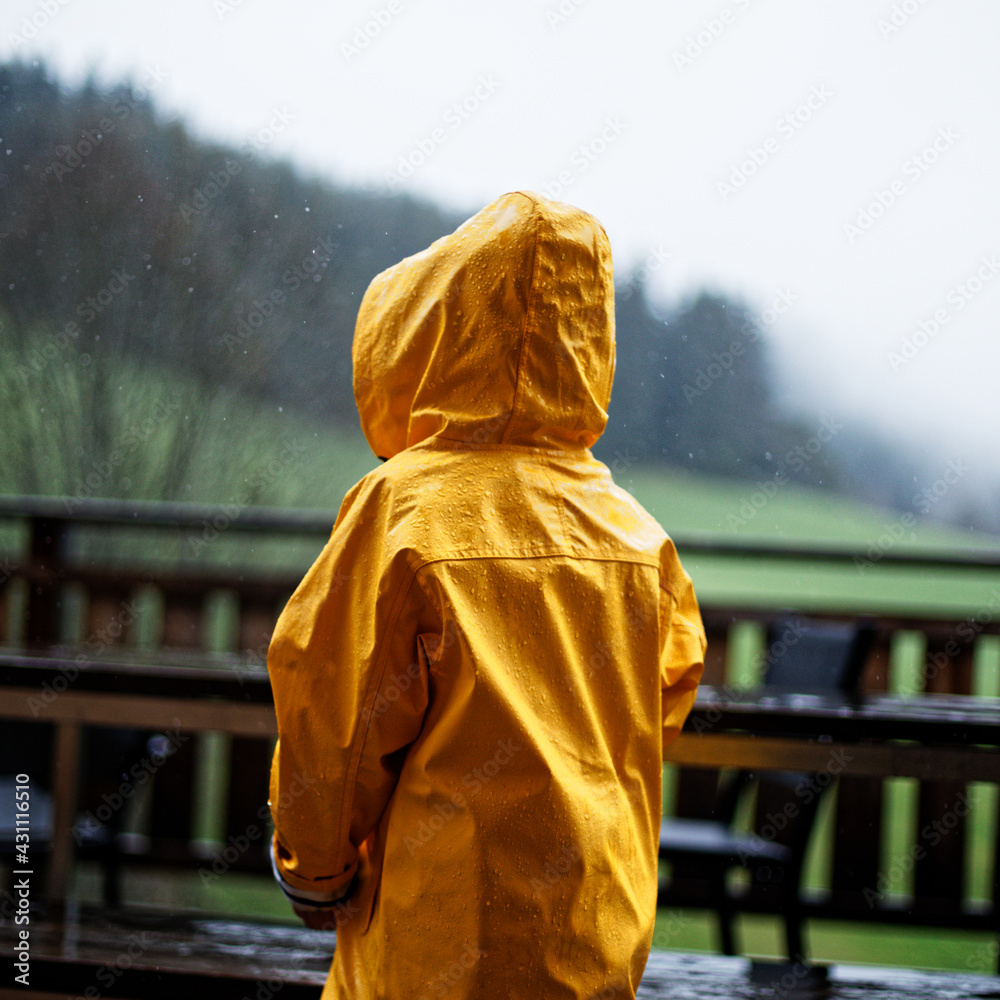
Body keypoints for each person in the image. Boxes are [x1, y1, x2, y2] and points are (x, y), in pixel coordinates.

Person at [266, 190, 706, 999]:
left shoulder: (403, 510)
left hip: (430, 952)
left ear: (435, 333)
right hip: (590, 948)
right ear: (588, 343)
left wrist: (315, 873)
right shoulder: (640, 539)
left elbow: (334, 712)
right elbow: (658, 706)